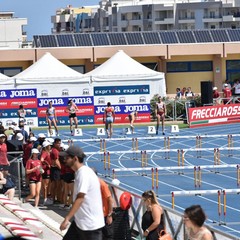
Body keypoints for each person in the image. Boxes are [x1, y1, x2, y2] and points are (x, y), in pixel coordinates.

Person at [59, 145, 104, 240]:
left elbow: (80, 198)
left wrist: (67, 219)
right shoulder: (79, 173)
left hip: (90, 226)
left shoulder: (84, 173)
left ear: (75, 158)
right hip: (80, 223)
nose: (65, 160)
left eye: (67, 158)